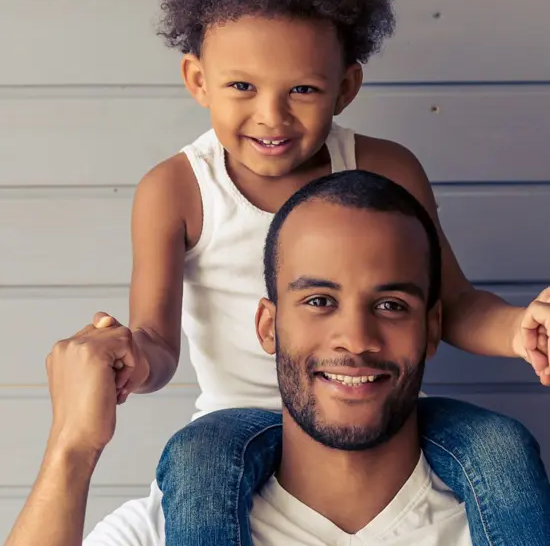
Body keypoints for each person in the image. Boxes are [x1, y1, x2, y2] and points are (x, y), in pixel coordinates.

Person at [17, 0, 550, 544]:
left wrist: (519, 330)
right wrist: (133, 359)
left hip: (376, 400)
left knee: (504, 445)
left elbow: (449, 303)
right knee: (194, 461)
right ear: (197, 80)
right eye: (242, 86)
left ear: (345, 88)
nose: (272, 116)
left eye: (302, 89)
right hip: (234, 422)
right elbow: (159, 340)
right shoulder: (178, 189)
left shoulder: (385, 170)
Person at [8, 170, 486, 545]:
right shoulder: (170, 527)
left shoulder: (500, 518)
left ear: (431, 328)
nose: (356, 340)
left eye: (391, 306)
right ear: (267, 326)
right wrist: (72, 448)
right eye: (319, 301)